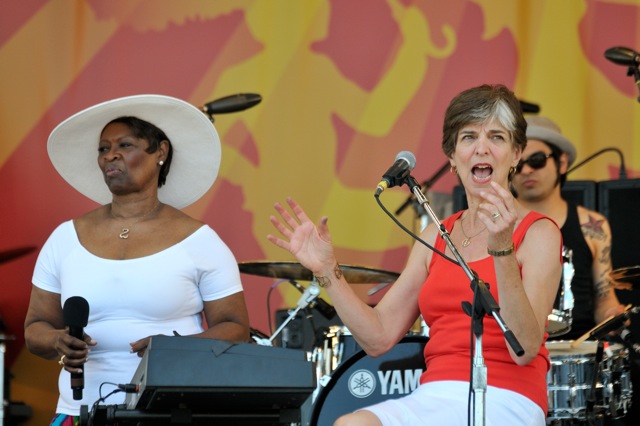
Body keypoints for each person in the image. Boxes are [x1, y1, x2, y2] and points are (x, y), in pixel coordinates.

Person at [268, 84, 562, 425]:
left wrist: (501, 248)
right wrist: (327, 270)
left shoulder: (540, 232)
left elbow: (524, 348)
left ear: (515, 154)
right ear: (452, 157)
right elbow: (379, 336)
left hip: (508, 397)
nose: (482, 148)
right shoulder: (435, 235)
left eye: (496, 137)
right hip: (435, 394)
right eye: (468, 137)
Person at [24, 94, 250, 424]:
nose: (110, 155)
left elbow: (236, 329)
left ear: (160, 151)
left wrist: (172, 348)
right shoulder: (65, 238)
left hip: (168, 411)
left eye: (125, 145)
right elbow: (35, 328)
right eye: (103, 148)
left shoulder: (200, 240)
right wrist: (58, 339)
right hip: (79, 410)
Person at [511, 115, 625, 341]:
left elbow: (604, 298)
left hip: (578, 352)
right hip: (514, 350)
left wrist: (612, 315)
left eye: (537, 160)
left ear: (561, 163)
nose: (526, 171)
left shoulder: (592, 225)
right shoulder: (495, 226)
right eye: (518, 164)